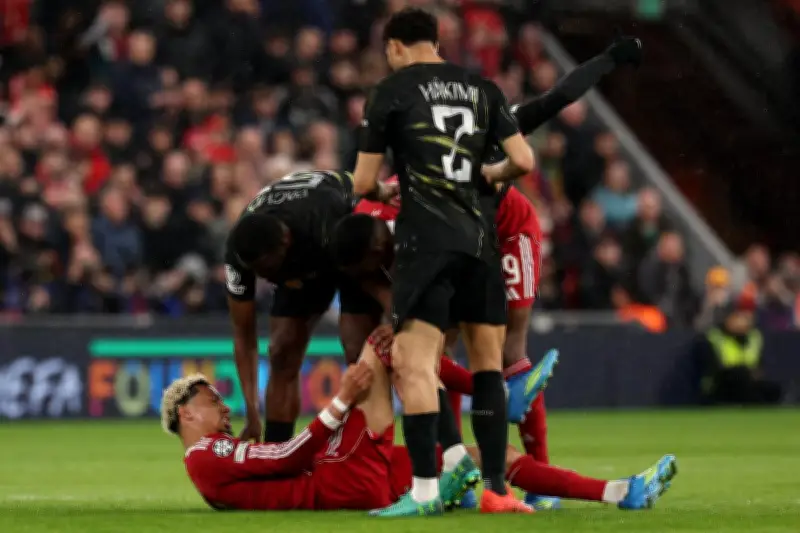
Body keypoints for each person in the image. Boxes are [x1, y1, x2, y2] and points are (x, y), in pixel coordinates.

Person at [347, 32, 643, 511]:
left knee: (508, 351)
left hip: (509, 229)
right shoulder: (404, 187)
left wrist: (606, 60)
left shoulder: (480, 132)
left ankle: (538, 480)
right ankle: (460, 464)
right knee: (433, 352)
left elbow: (557, 98)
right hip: (457, 245)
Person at [352, 7, 535, 516]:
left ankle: (427, 493)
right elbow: (523, 161)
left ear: (394, 47)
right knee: (486, 368)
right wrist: (489, 175)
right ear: (436, 41)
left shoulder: (391, 92)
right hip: (480, 242)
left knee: (415, 362)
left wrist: (389, 189)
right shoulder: (484, 89)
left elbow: (363, 184)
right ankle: (497, 491)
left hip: (426, 242)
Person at [163, 335, 678, 513]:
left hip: (349, 476)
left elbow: (264, 475)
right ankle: (494, 392)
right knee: (384, 344)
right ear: (186, 413)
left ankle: (621, 492)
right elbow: (288, 456)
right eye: (213, 401)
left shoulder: (213, 466)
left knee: (489, 459)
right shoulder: (206, 456)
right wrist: (339, 402)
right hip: (343, 477)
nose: (224, 409)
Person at [224, 170, 383, 444]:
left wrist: (395, 318)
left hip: (349, 239)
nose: (267, 280)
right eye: (259, 273)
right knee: (282, 350)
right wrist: (251, 413)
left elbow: (374, 279)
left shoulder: (325, 219)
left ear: (286, 241)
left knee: (358, 348)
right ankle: (277, 453)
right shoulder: (240, 251)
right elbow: (243, 333)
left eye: (270, 270)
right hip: (303, 260)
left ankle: (367, 448)